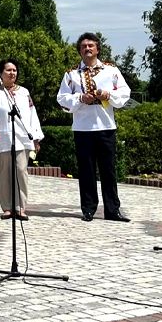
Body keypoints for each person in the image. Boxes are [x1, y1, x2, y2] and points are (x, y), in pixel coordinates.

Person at [56, 32, 132, 222]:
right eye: (83, 46)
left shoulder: (111, 70)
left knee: (109, 170)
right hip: (83, 128)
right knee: (86, 170)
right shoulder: (72, 74)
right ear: (79, 50)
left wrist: (108, 95)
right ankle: (88, 209)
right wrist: (80, 98)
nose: (87, 49)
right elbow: (62, 98)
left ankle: (112, 210)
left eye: (91, 45)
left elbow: (125, 92)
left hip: (106, 126)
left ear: (98, 48)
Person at [0, 59, 44, 220]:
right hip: (1, 140)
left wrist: (36, 137)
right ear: (1, 73)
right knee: (3, 174)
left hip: (22, 139)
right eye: (8, 70)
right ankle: (7, 207)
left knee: (20, 171)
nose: (12, 73)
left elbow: (32, 115)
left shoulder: (24, 92)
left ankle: (20, 207)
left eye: (14, 70)